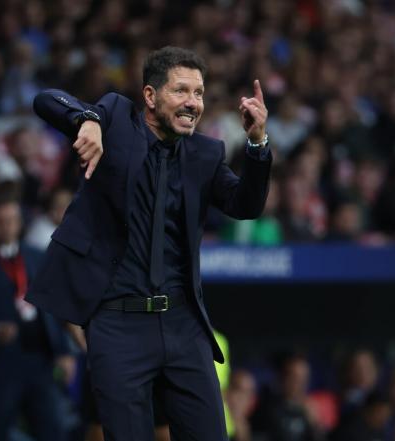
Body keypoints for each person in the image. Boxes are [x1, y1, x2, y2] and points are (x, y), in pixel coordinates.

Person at [27, 46, 272, 440]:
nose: (193, 102)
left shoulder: (205, 154)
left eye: (199, 93)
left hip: (183, 322)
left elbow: (245, 204)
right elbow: (46, 100)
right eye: (181, 91)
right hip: (117, 322)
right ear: (150, 96)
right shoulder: (116, 119)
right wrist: (87, 121)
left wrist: (258, 143)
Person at [0, 194, 76, 441]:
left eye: (11, 220)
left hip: (39, 362)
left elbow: (53, 309)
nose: (6, 226)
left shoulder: (36, 256)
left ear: (20, 223)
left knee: (53, 431)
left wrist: (64, 351)